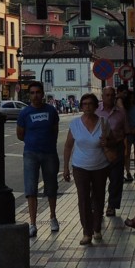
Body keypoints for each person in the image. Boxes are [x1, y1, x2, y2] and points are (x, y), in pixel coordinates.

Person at [63, 93, 110, 245]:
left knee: (98, 197)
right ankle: (86, 232)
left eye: (90, 104)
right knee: (83, 199)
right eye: (84, 104)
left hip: (100, 166)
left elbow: (113, 141)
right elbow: (68, 145)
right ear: (81, 106)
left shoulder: (104, 122)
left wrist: (107, 142)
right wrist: (65, 167)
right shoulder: (75, 124)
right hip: (80, 166)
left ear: (96, 106)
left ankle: (97, 228)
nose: (87, 106)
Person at [16, 81, 60, 238]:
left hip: (49, 153)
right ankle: (33, 223)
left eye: (38, 92)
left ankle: (53, 217)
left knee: (51, 186)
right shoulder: (24, 113)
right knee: (30, 188)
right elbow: (20, 134)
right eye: (32, 93)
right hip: (30, 153)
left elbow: (55, 130)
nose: (35, 96)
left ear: (43, 94)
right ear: (29, 95)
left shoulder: (51, 111)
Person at [96, 85, 127, 217]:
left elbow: (125, 131)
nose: (109, 98)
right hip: (99, 150)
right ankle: (97, 205)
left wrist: (115, 141)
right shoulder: (96, 112)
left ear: (115, 97)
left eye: (112, 95)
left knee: (116, 180)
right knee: (98, 180)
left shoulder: (120, 113)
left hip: (116, 148)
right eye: (107, 95)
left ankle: (112, 206)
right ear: (102, 97)